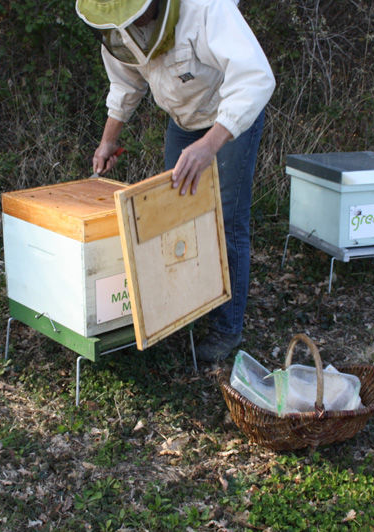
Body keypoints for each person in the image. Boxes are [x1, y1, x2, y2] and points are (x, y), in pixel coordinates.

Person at [76, 0, 276, 362]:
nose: (131, 32)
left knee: (226, 221)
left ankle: (226, 329)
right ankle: (189, 309)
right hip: (183, 125)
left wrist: (209, 146)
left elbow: (256, 78)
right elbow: (125, 82)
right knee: (175, 218)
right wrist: (108, 139)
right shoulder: (117, 24)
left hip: (228, 122)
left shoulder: (207, 9)